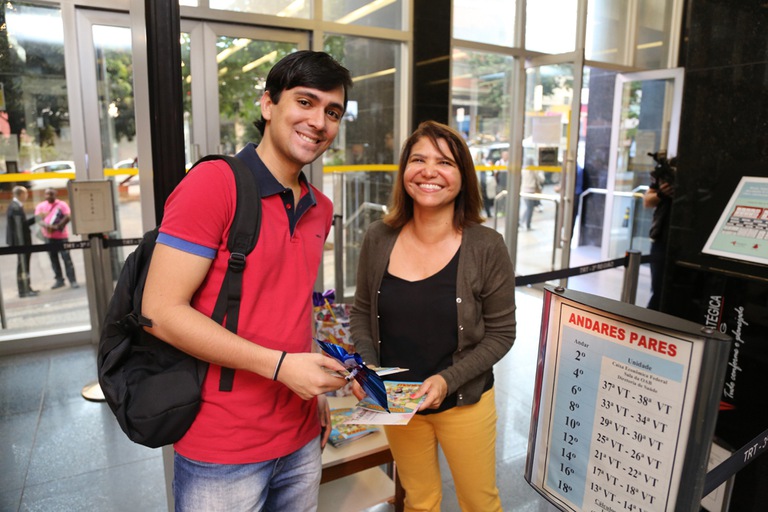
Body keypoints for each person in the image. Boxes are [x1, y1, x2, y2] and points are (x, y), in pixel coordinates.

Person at [141, 51, 352, 511]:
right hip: (222, 445)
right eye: (305, 102)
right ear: (268, 104)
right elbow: (159, 312)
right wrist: (281, 367)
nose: (319, 122)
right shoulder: (213, 184)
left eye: (333, 112)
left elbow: (285, 307)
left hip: (300, 434)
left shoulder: (321, 208)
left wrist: (312, 382)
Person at [350, 120, 516, 511]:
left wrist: (447, 380)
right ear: (404, 170)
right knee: (419, 501)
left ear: (463, 176)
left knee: (479, 503)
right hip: (397, 400)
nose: (429, 171)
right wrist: (367, 369)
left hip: (463, 402)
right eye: (418, 160)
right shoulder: (378, 237)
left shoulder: (486, 246)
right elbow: (362, 312)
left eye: (444, 162)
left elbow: (501, 334)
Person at [643, 154, 676, 311]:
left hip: (688, 240)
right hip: (662, 238)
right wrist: (661, 194)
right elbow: (647, 201)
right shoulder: (667, 171)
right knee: (658, 290)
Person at [34, 187, 78, 289]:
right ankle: (59, 280)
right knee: (53, 259)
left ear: (55, 195)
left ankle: (72, 280)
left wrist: (57, 227)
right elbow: (38, 219)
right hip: (48, 237)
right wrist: (48, 226)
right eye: (47, 194)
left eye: (51, 194)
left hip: (61, 237)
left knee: (66, 258)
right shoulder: (41, 206)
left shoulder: (62, 205)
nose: (49, 196)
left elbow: (68, 216)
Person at [6, 185, 39, 298]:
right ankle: (23, 290)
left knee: (24, 265)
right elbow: (20, 227)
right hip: (21, 242)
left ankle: (26, 287)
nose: (27, 196)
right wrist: (37, 218)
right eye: (26, 193)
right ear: (21, 194)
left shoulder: (16, 206)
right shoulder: (15, 207)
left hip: (23, 242)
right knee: (23, 266)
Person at [520, 159, 544, 230]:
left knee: (529, 207)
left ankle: (522, 221)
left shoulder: (523, 170)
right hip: (531, 191)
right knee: (530, 208)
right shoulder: (533, 170)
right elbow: (541, 179)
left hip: (524, 191)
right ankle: (527, 224)